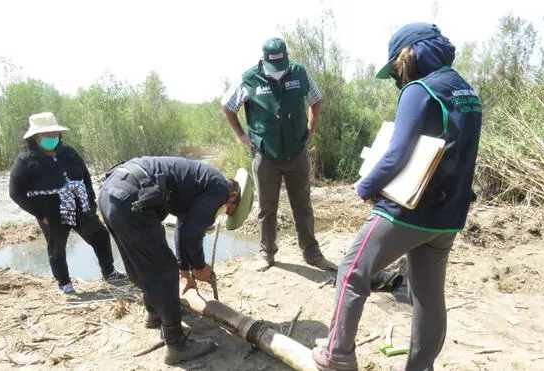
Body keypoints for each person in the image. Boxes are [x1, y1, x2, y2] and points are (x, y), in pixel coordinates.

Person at [312, 23, 483, 371]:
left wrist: (364, 186)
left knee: (351, 271)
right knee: (428, 296)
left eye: (395, 69)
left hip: (408, 210)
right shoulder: (467, 92)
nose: (396, 78)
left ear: (410, 55)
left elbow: (396, 155)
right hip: (448, 216)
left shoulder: (419, 90)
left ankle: (338, 355)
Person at [98, 157, 253, 365]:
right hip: (131, 197)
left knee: (139, 261)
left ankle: (155, 314)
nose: (225, 212)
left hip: (111, 193)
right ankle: (177, 345)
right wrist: (199, 267)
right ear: (233, 196)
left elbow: (183, 224)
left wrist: (185, 271)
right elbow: (191, 234)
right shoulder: (219, 190)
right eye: (229, 210)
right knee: (164, 272)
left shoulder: (204, 180)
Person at [222, 37, 336, 272]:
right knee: (266, 208)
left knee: (303, 205)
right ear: (263, 60)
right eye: (274, 68)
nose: (279, 72)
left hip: (296, 152)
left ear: (286, 58)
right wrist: (241, 136)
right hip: (265, 156)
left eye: (282, 66)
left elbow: (316, 100)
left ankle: (312, 253)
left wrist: (311, 129)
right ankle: (268, 253)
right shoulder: (248, 79)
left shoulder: (299, 73)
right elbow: (228, 106)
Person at [9, 112, 125, 295]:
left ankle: (109, 272)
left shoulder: (68, 152)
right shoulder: (25, 161)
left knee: (100, 235)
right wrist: (40, 214)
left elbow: (85, 176)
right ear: (35, 137)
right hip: (50, 210)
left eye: (55, 134)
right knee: (57, 248)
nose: (53, 138)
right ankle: (64, 284)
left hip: (79, 204)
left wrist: (91, 201)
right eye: (47, 135)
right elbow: (16, 193)